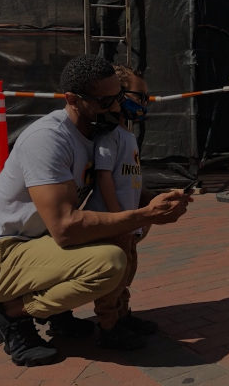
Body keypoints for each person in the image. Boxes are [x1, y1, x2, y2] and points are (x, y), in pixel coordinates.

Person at [0, 55, 190, 366]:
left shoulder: (95, 135)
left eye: (119, 96)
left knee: (117, 238)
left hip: (35, 243)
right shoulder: (48, 139)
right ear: (73, 99)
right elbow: (65, 228)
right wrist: (145, 215)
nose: (117, 107)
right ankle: (9, 315)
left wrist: (153, 200)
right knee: (108, 262)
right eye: (106, 101)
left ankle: (60, 313)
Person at [85, 65, 158, 350]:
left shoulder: (128, 136)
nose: (143, 102)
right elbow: (104, 177)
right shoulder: (108, 137)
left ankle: (123, 316)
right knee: (112, 279)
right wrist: (119, 217)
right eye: (139, 95)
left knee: (127, 271)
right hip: (114, 221)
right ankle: (108, 327)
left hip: (129, 222)